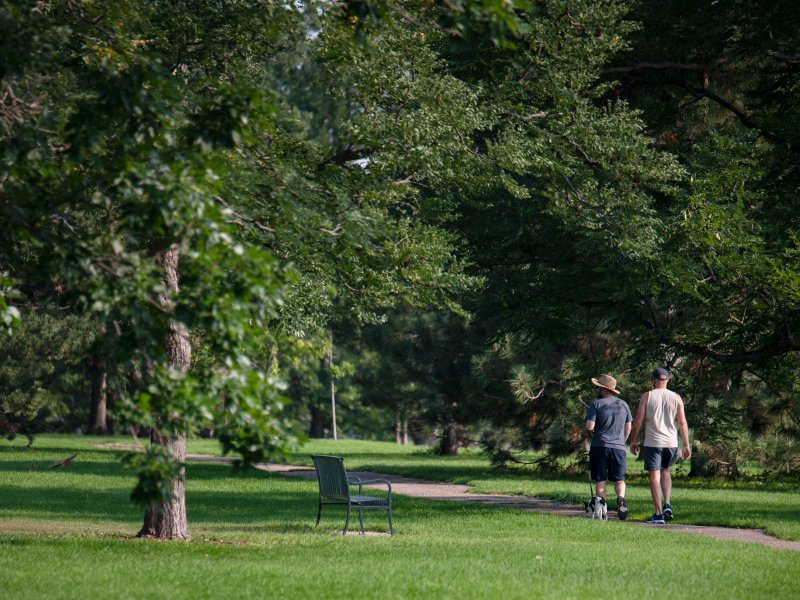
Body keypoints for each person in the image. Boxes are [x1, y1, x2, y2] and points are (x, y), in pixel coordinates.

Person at [629, 367, 691, 524]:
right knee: (666, 472)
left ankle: (658, 514)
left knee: (654, 475)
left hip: (653, 442)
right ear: (667, 380)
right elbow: (682, 422)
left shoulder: (647, 396)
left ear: (654, 380)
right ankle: (667, 503)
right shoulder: (676, 397)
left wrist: (633, 440)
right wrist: (686, 444)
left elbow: (638, 420)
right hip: (671, 443)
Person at [585, 373, 632, 521]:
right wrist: (622, 440)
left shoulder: (596, 403)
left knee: (601, 480)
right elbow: (628, 426)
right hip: (618, 447)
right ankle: (621, 498)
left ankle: (602, 510)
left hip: (600, 445)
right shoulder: (623, 404)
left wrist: (591, 427)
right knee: (619, 480)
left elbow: (590, 425)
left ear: (602, 389)